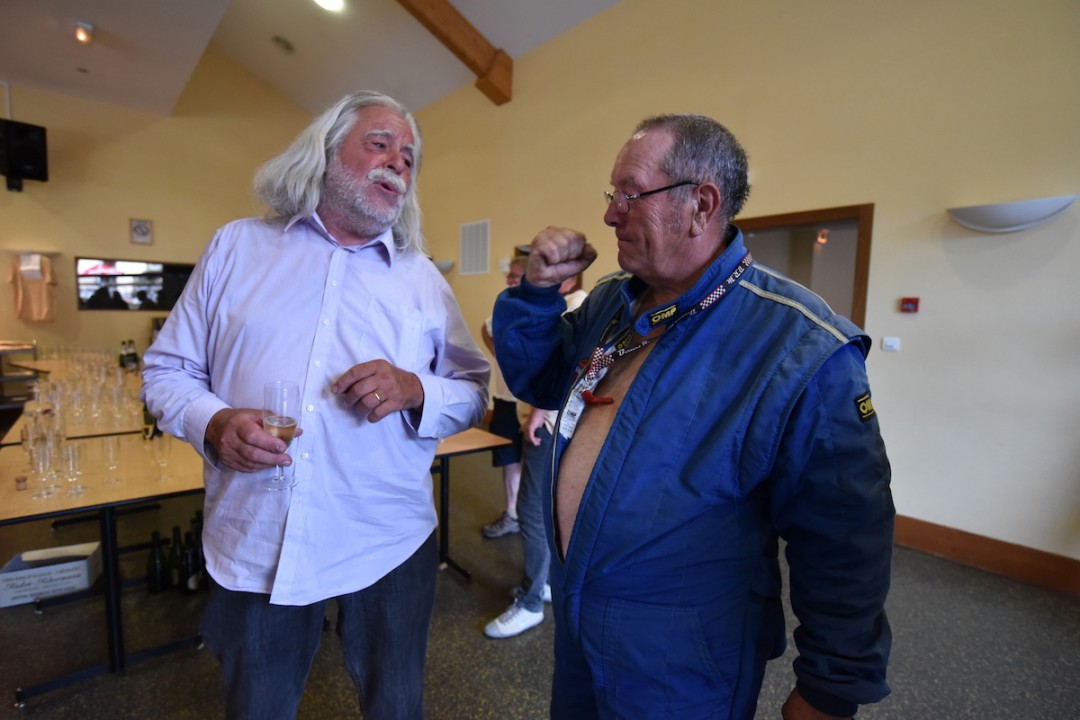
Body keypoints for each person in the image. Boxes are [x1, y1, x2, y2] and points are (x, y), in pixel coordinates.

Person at [493, 114, 894, 719]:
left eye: (630, 194)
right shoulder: (613, 301)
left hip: (680, 659)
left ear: (701, 205)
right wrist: (535, 296)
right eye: (612, 194)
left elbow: (845, 539)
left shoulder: (801, 347)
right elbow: (542, 379)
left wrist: (830, 690)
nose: (609, 214)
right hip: (580, 621)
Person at [141, 90, 489, 720]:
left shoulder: (422, 280)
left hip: (387, 538)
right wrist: (212, 423)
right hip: (257, 535)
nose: (398, 162)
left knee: (396, 706)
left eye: (409, 157)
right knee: (258, 707)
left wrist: (416, 389)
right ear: (325, 151)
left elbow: (473, 393)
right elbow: (167, 370)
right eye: (380, 143)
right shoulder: (236, 248)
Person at [484, 273, 587, 638]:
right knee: (546, 510)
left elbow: (562, 365)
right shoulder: (580, 303)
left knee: (531, 511)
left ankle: (530, 603)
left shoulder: (576, 304)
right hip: (558, 422)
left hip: (552, 423)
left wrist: (538, 414)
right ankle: (542, 584)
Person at [480, 257, 526, 539]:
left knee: (534, 463)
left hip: (532, 405)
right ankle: (512, 513)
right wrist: (495, 350)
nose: (509, 280)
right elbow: (485, 327)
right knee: (509, 457)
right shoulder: (504, 306)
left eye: (515, 276)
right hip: (504, 398)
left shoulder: (544, 308)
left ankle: (532, 518)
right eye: (509, 275)